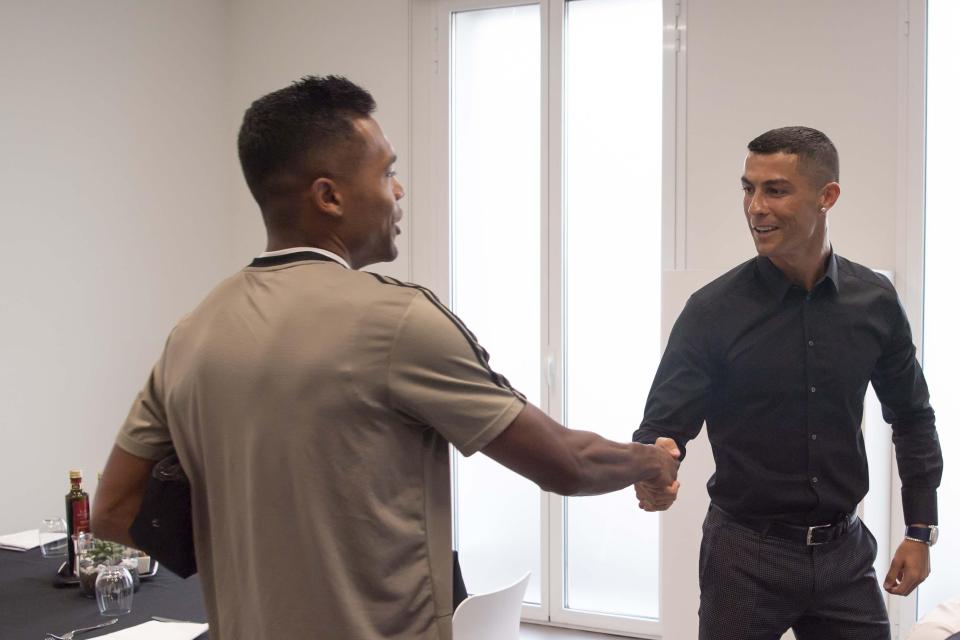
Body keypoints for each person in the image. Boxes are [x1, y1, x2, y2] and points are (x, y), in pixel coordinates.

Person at [91, 75, 679, 640]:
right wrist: (650, 463)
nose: (398, 191)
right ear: (330, 196)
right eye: (387, 172)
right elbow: (565, 464)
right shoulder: (397, 322)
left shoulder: (192, 334)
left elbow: (113, 511)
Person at [632, 126, 943, 640]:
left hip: (844, 554)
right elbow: (663, 427)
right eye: (748, 189)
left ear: (828, 197)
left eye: (775, 190)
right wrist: (653, 467)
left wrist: (920, 530)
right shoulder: (712, 311)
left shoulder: (876, 301)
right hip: (744, 557)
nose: (755, 207)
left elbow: (912, 418)